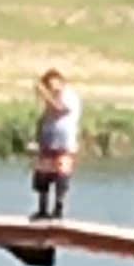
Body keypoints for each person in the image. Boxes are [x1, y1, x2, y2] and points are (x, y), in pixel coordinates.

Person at [30, 65, 80, 222]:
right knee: (43, 177)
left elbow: (60, 109)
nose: (52, 88)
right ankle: (42, 210)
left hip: (64, 144)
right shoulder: (51, 99)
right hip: (48, 143)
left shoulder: (69, 96)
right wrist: (37, 136)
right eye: (48, 86)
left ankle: (58, 209)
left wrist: (44, 94)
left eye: (53, 85)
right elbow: (45, 116)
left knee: (61, 176)